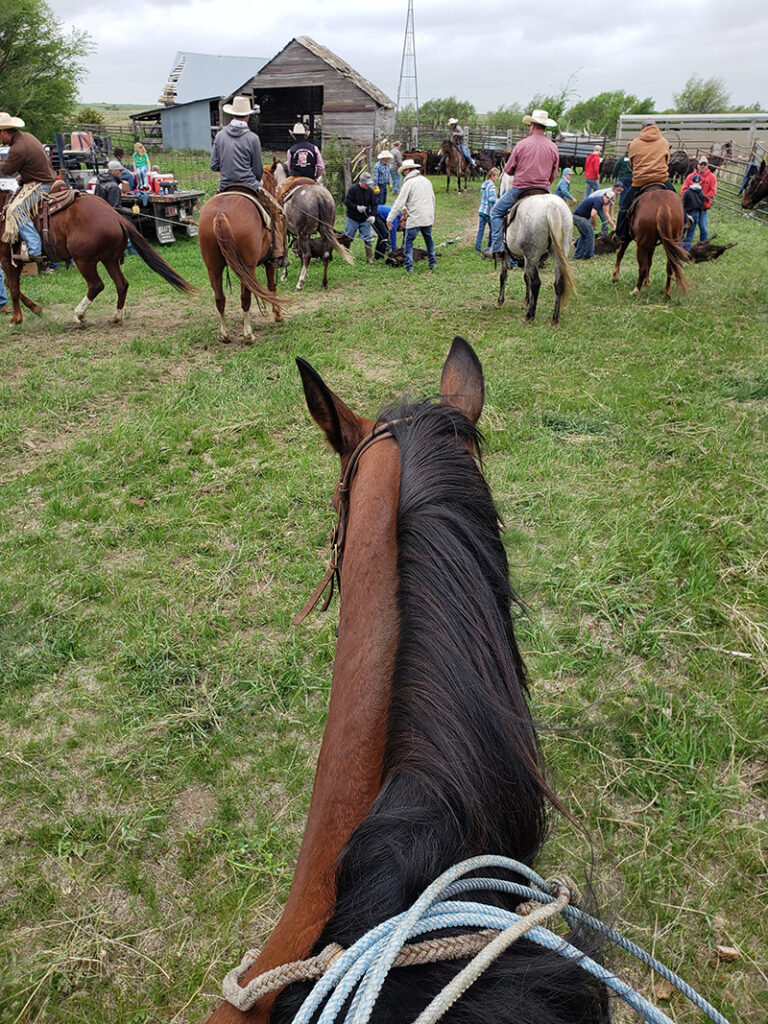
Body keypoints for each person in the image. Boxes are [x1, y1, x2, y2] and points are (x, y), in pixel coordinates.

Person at [210, 95, 286, 265]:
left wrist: (228, 167)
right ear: (248, 115)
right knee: (276, 212)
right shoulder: (252, 138)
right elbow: (258, 171)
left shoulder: (220, 136)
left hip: (225, 187)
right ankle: (277, 252)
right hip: (248, 186)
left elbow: (213, 165)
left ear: (232, 114)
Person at [490, 108, 560, 258]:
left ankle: (498, 249)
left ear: (533, 125)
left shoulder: (522, 144)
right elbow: (554, 174)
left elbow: (508, 170)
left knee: (495, 213)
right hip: (543, 190)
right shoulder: (553, 147)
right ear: (545, 127)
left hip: (521, 190)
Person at [0, 111, 57, 261]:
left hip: (40, 185)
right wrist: (24, 176)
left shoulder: (18, 148)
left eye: (0, 134)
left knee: (15, 210)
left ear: (5, 132)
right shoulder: (27, 137)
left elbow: (7, 170)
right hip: (42, 180)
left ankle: (34, 249)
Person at [615, 118, 675, 242]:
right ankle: (685, 221)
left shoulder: (635, 143)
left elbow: (632, 163)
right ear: (655, 127)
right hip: (661, 179)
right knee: (677, 200)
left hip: (640, 181)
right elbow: (667, 159)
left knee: (624, 207)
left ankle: (621, 234)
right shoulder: (664, 142)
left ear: (642, 129)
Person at [386, 158, 437, 273]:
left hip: (415, 218)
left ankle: (409, 266)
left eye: (404, 171)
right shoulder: (426, 181)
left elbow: (399, 202)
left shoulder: (409, 183)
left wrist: (390, 219)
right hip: (427, 217)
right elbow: (432, 199)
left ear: (408, 170)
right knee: (428, 240)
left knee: (408, 242)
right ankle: (432, 263)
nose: (403, 173)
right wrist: (431, 215)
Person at [571, 184, 622, 258]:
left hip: (576, 217)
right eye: (608, 201)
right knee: (590, 235)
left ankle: (577, 255)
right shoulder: (599, 201)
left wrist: (613, 225)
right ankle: (588, 255)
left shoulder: (599, 200)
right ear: (606, 196)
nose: (608, 203)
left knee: (584, 236)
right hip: (580, 218)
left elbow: (606, 215)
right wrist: (594, 225)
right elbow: (593, 214)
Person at [344, 171, 378, 263]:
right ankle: (346, 256)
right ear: (361, 181)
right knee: (348, 237)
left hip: (364, 219)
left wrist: (373, 216)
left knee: (367, 237)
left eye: (369, 184)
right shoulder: (353, 189)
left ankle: (369, 258)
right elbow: (347, 202)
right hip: (352, 218)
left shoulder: (370, 191)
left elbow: (374, 205)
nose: (368, 186)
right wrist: (356, 207)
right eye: (366, 184)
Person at [681, 156, 717, 241]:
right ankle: (681, 244)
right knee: (685, 226)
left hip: (703, 207)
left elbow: (713, 191)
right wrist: (691, 199)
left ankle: (704, 244)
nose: (703, 166)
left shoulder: (712, 177)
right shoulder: (691, 176)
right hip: (690, 208)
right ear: (697, 165)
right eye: (701, 164)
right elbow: (683, 190)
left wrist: (703, 198)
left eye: (705, 164)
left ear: (707, 166)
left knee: (703, 227)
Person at [681, 174, 707, 250]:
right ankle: (687, 250)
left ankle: (679, 249)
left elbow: (683, 203)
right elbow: (702, 204)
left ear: (691, 181)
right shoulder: (702, 193)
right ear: (700, 182)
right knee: (691, 232)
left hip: (686, 213)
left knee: (682, 231)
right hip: (695, 213)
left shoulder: (687, 192)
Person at [476, 167, 499, 253]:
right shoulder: (492, 186)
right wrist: (498, 202)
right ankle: (489, 246)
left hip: (481, 210)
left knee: (480, 230)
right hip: (488, 212)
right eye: (496, 176)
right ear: (492, 176)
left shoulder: (484, 184)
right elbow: (492, 199)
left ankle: (477, 247)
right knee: (492, 230)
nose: (497, 178)